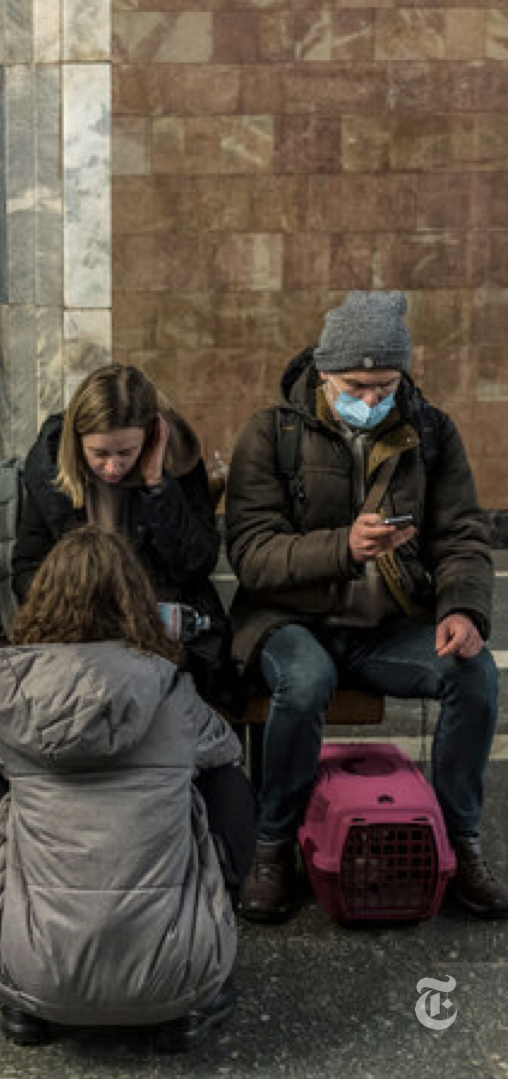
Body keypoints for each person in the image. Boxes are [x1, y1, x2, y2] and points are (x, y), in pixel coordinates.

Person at [225, 290, 508, 923]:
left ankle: (461, 845)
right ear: (324, 374)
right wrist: (344, 548)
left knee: (474, 673)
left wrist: (463, 611)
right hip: (290, 622)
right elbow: (251, 554)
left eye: (387, 385)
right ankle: (273, 846)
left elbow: (462, 535)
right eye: (358, 385)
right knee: (305, 681)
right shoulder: (272, 432)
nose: (375, 399)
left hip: (388, 624)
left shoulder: (430, 432)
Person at [0, 526, 255, 1050]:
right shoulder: (169, 689)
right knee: (225, 782)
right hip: (180, 972)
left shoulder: (12, 693)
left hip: (31, 972)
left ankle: (21, 1001)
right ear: (139, 602)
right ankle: (191, 980)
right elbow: (226, 748)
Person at [13, 364, 243, 713]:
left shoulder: (177, 461)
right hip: (80, 627)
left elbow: (196, 563)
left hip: (161, 626)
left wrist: (157, 484)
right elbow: (26, 569)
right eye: (100, 453)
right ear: (77, 443)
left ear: (150, 438)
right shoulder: (49, 474)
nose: (112, 468)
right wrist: (74, 600)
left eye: (125, 452)